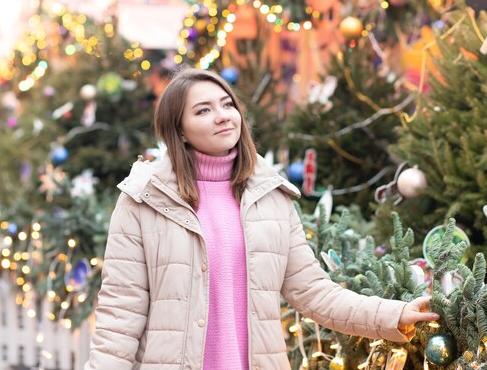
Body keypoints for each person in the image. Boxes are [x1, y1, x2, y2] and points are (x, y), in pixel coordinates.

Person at [85, 67, 440, 370]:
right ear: (178, 129)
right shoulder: (144, 200)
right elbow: (120, 316)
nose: (223, 115)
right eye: (203, 111)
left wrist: (393, 315)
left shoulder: (270, 197)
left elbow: (314, 292)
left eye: (227, 105)